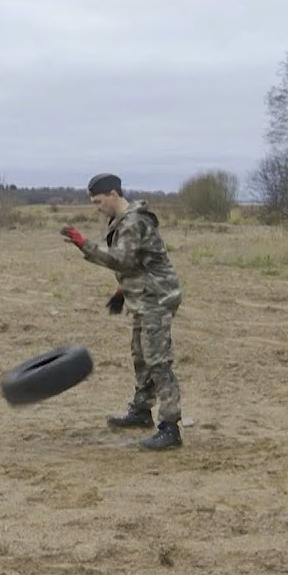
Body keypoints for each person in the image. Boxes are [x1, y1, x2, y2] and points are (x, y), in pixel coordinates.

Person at [59, 173, 185, 450]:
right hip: (143, 295)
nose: (96, 206)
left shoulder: (135, 221)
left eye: (99, 200)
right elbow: (137, 263)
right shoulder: (121, 221)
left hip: (157, 298)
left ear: (114, 194)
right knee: (140, 355)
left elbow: (122, 260)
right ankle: (141, 411)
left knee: (157, 361)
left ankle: (170, 427)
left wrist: (84, 244)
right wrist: (122, 291)